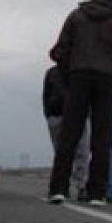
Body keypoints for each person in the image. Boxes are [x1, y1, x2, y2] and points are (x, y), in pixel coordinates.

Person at [46, 0, 112, 206]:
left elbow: (61, 49)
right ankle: (97, 192)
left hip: (79, 76)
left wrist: (67, 75)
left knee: (70, 134)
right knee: (102, 137)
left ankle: (58, 189)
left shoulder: (76, 16)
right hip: (109, 79)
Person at [41, 64, 90, 198]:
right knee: (61, 152)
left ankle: (82, 186)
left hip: (77, 115)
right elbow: (45, 95)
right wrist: (49, 114)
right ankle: (63, 185)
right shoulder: (51, 72)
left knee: (82, 152)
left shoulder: (80, 71)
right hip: (57, 115)